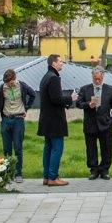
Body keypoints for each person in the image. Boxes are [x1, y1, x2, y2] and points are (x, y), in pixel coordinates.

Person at [37, 54, 76, 186]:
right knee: (57, 148)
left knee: (48, 148)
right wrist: (71, 98)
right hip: (55, 120)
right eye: (60, 61)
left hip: (46, 120)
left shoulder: (45, 77)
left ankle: (46, 176)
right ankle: (53, 177)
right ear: (53, 63)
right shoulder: (53, 78)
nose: (62, 63)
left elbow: (51, 98)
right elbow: (56, 99)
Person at [78, 67, 112, 180]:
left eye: (99, 79)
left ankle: (104, 170)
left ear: (103, 77)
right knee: (91, 148)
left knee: (106, 148)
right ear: (92, 77)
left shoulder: (110, 89)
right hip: (90, 124)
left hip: (105, 124)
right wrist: (88, 104)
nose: (97, 81)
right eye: (95, 79)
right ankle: (94, 170)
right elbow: (78, 103)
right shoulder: (85, 89)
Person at [0, 68, 36, 183]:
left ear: (15, 79)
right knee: (6, 148)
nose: (9, 85)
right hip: (6, 119)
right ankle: (7, 173)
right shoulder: (2, 88)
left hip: (18, 119)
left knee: (18, 147)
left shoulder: (22, 86)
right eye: (7, 83)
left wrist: (26, 108)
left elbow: (33, 94)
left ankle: (18, 173)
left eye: (11, 82)